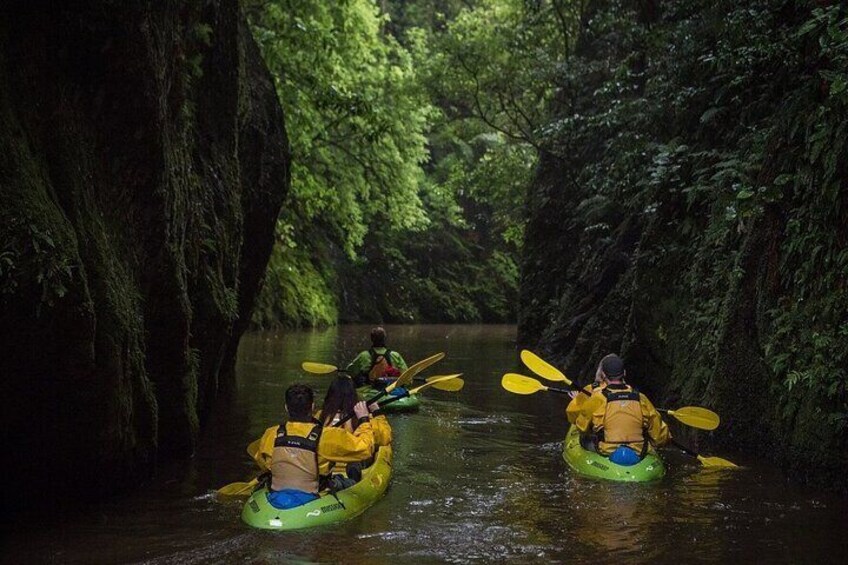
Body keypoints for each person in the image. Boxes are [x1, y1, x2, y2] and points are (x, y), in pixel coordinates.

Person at [251, 383, 377, 509]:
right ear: (312, 406)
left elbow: (263, 463)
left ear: (286, 408)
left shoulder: (271, 433)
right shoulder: (327, 435)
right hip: (315, 494)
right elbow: (365, 449)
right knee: (351, 479)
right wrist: (364, 419)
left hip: (276, 491)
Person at [566, 354, 670, 465]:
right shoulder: (641, 398)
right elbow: (660, 437)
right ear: (624, 373)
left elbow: (581, 427)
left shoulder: (597, 398)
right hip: (639, 451)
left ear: (603, 375)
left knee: (584, 438)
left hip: (606, 450)